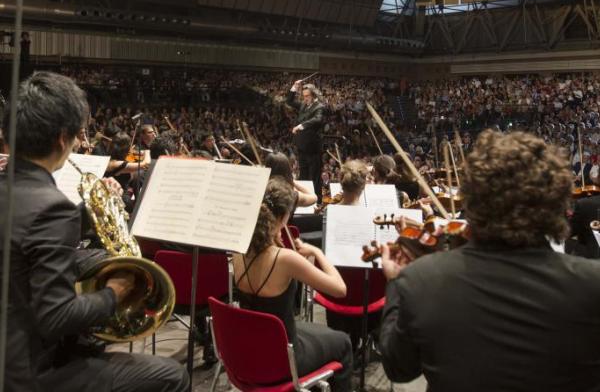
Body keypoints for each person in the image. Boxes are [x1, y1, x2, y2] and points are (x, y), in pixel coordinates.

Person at [0, 71, 188, 392]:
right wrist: (114, 291)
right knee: (173, 376)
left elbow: (22, 254)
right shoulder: (50, 206)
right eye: (77, 136)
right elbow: (57, 318)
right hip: (31, 372)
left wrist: (86, 215)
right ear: (62, 138)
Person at [379, 129, 600, 392]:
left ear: (472, 199)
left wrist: (395, 283)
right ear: (557, 203)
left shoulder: (421, 279)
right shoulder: (591, 284)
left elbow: (398, 368)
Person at [233, 177, 353, 391]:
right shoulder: (286, 259)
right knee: (343, 342)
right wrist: (316, 251)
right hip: (283, 358)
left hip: (248, 350)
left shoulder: (238, 250)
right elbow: (339, 289)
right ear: (283, 217)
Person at [286, 80, 324, 201]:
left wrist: (301, 125)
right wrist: (295, 87)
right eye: (304, 96)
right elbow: (289, 101)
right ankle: (304, 200)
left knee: (315, 177)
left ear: (313, 95)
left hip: (313, 148)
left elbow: (318, 119)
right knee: (303, 175)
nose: (305, 98)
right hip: (302, 146)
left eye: (307, 96)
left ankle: (318, 201)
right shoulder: (303, 105)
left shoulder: (319, 107)